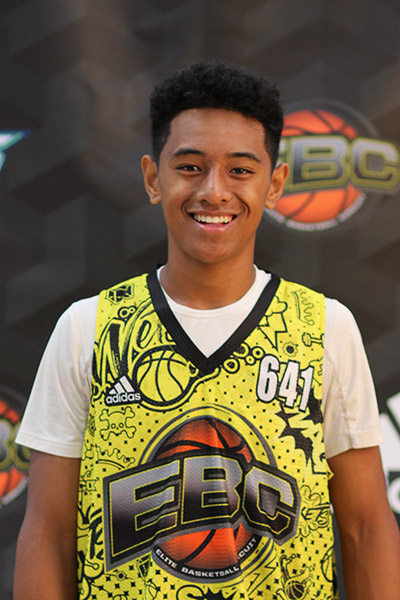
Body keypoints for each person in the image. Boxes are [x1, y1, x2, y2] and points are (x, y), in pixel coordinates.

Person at [14, 61, 400, 600]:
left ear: (274, 184)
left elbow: (365, 527)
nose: (214, 191)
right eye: (190, 167)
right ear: (154, 178)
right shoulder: (89, 328)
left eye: (240, 170)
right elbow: (48, 532)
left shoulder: (325, 328)